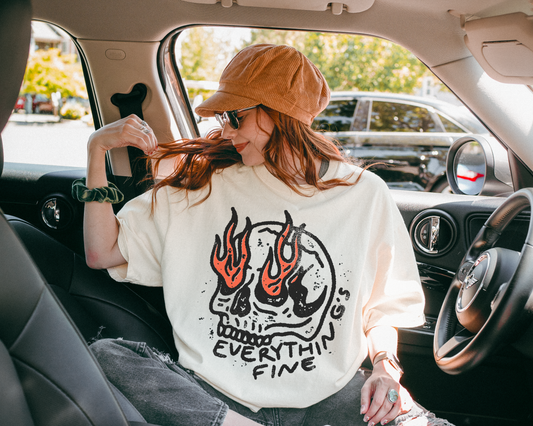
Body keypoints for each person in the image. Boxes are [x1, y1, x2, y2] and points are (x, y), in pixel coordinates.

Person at [80, 44, 453, 426]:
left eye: (235, 118)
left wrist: (385, 370)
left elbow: (383, 308)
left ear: (279, 114)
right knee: (107, 356)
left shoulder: (364, 193)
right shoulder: (202, 186)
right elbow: (102, 251)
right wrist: (97, 152)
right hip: (214, 397)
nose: (225, 130)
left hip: (327, 400)